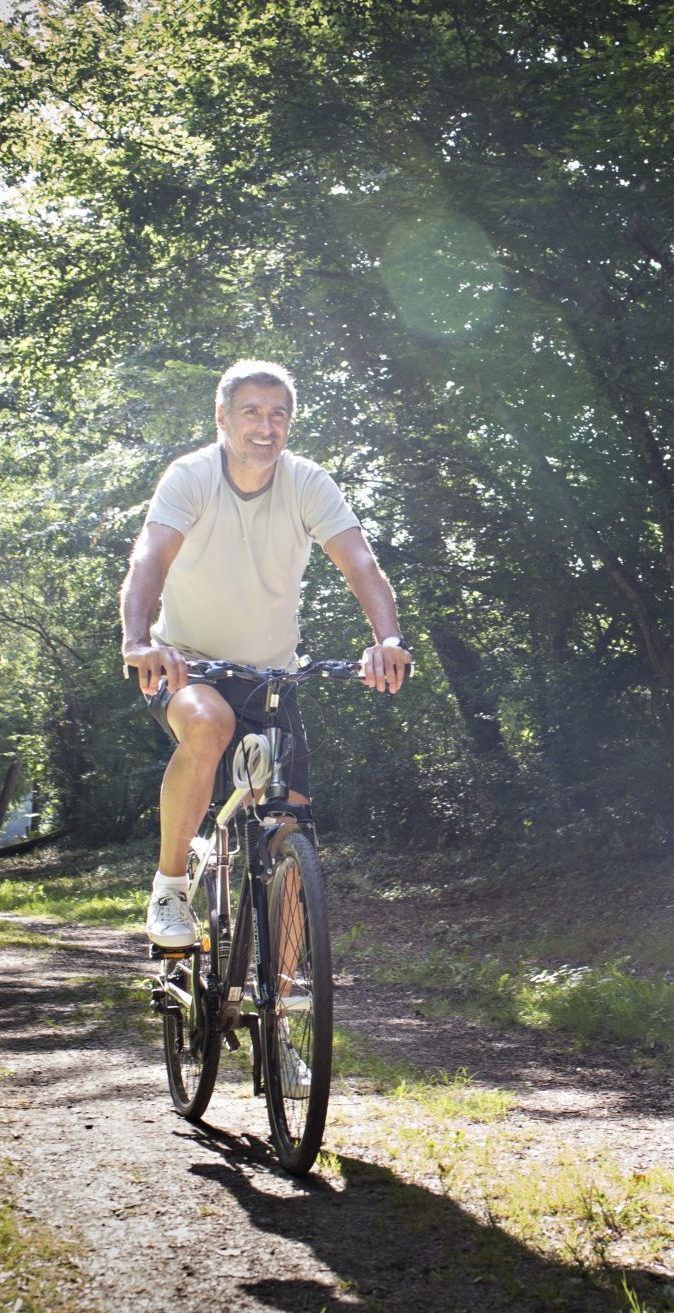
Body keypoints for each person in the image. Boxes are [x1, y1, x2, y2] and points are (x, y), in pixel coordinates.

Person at [120, 360, 413, 954]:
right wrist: (139, 640)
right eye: (251, 411)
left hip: (272, 680)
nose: (265, 425)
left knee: (291, 831)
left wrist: (387, 639)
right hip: (187, 666)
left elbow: (361, 564)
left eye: (279, 414)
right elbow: (148, 559)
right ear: (222, 417)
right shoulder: (191, 476)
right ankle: (170, 884)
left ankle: (281, 1018)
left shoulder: (307, 482)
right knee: (208, 724)